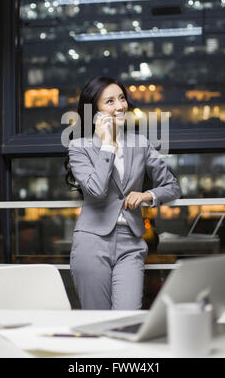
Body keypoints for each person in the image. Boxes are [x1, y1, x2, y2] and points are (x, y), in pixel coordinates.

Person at [67, 76, 182, 310]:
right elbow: (97, 189)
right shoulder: (79, 148)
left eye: (121, 98)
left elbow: (172, 187)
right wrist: (107, 144)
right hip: (92, 241)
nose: (120, 106)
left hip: (131, 242)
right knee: (97, 320)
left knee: (128, 316)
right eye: (109, 101)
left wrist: (147, 195)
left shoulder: (140, 144)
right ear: (94, 111)